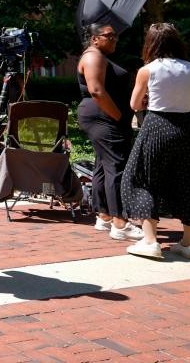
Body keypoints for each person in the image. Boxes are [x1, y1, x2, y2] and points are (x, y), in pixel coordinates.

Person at [121, 23, 190, 260]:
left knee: (140, 179)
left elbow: (134, 105)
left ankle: (150, 241)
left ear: (151, 43)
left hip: (157, 126)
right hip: (188, 127)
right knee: (189, 182)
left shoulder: (148, 70)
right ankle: (188, 244)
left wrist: (146, 98)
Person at [77, 23, 143, 241]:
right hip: (104, 117)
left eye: (115, 35)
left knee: (104, 167)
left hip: (101, 116)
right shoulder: (93, 56)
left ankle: (104, 216)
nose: (115, 39)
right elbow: (96, 90)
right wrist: (118, 115)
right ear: (95, 38)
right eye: (109, 35)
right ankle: (120, 224)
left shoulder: (98, 55)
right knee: (117, 166)